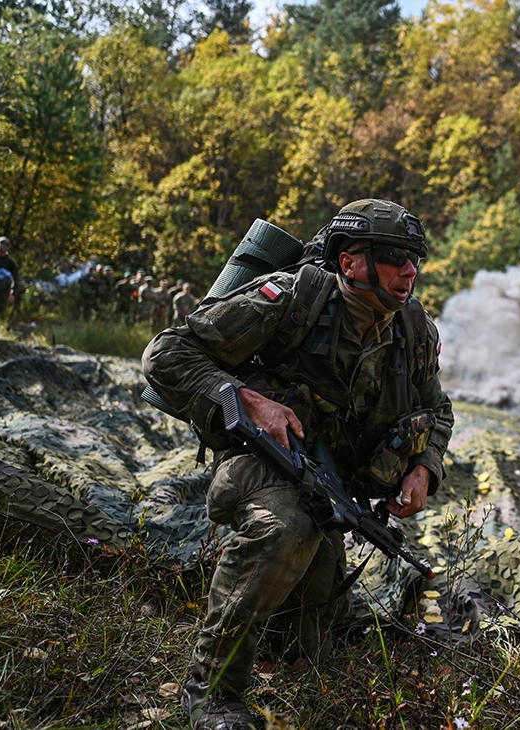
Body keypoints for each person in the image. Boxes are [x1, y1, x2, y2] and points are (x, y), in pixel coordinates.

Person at [142, 199, 453, 730]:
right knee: (287, 530)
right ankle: (210, 693)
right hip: (257, 463)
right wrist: (249, 400)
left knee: (308, 641)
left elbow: (436, 410)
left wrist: (423, 467)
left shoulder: (413, 329)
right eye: (395, 257)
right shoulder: (289, 302)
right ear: (350, 261)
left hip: (326, 485)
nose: (410, 271)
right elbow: (165, 354)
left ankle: (275, 628)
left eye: (414, 259)